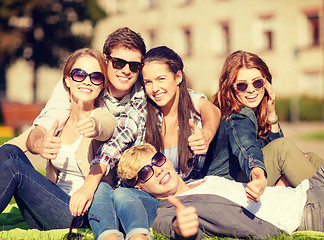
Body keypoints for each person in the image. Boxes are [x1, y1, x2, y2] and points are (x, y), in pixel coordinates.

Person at [87, 46, 220, 240]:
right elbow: (113, 144)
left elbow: (212, 110)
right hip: (146, 195)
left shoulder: (193, 111)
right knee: (113, 193)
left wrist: (206, 135)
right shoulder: (140, 108)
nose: (154, 88)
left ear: (178, 77)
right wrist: (87, 185)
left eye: (161, 79)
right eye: (147, 82)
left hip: (179, 198)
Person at [0, 48, 117, 230]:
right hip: (48, 208)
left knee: (15, 169)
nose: (87, 81)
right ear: (67, 80)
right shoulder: (60, 119)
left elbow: (106, 126)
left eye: (95, 77)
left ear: (102, 85)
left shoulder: (101, 116)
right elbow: (19, 144)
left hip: (78, 216)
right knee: (9, 151)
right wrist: (39, 144)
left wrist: (94, 125)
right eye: (79, 74)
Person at [118, 143, 324, 240]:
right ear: (139, 187)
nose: (158, 169)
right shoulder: (166, 213)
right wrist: (181, 230)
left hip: (306, 189)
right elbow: (173, 229)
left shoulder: (201, 179)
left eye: (157, 160)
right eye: (145, 172)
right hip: (305, 210)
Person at [204, 50, 323, 202]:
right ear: (230, 87)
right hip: (230, 186)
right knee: (284, 148)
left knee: (310, 158)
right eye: (241, 85)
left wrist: (271, 114)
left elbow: (274, 151)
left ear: (266, 83)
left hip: (244, 176)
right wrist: (257, 172)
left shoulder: (255, 113)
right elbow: (247, 148)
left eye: (257, 82)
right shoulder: (237, 116)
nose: (251, 89)